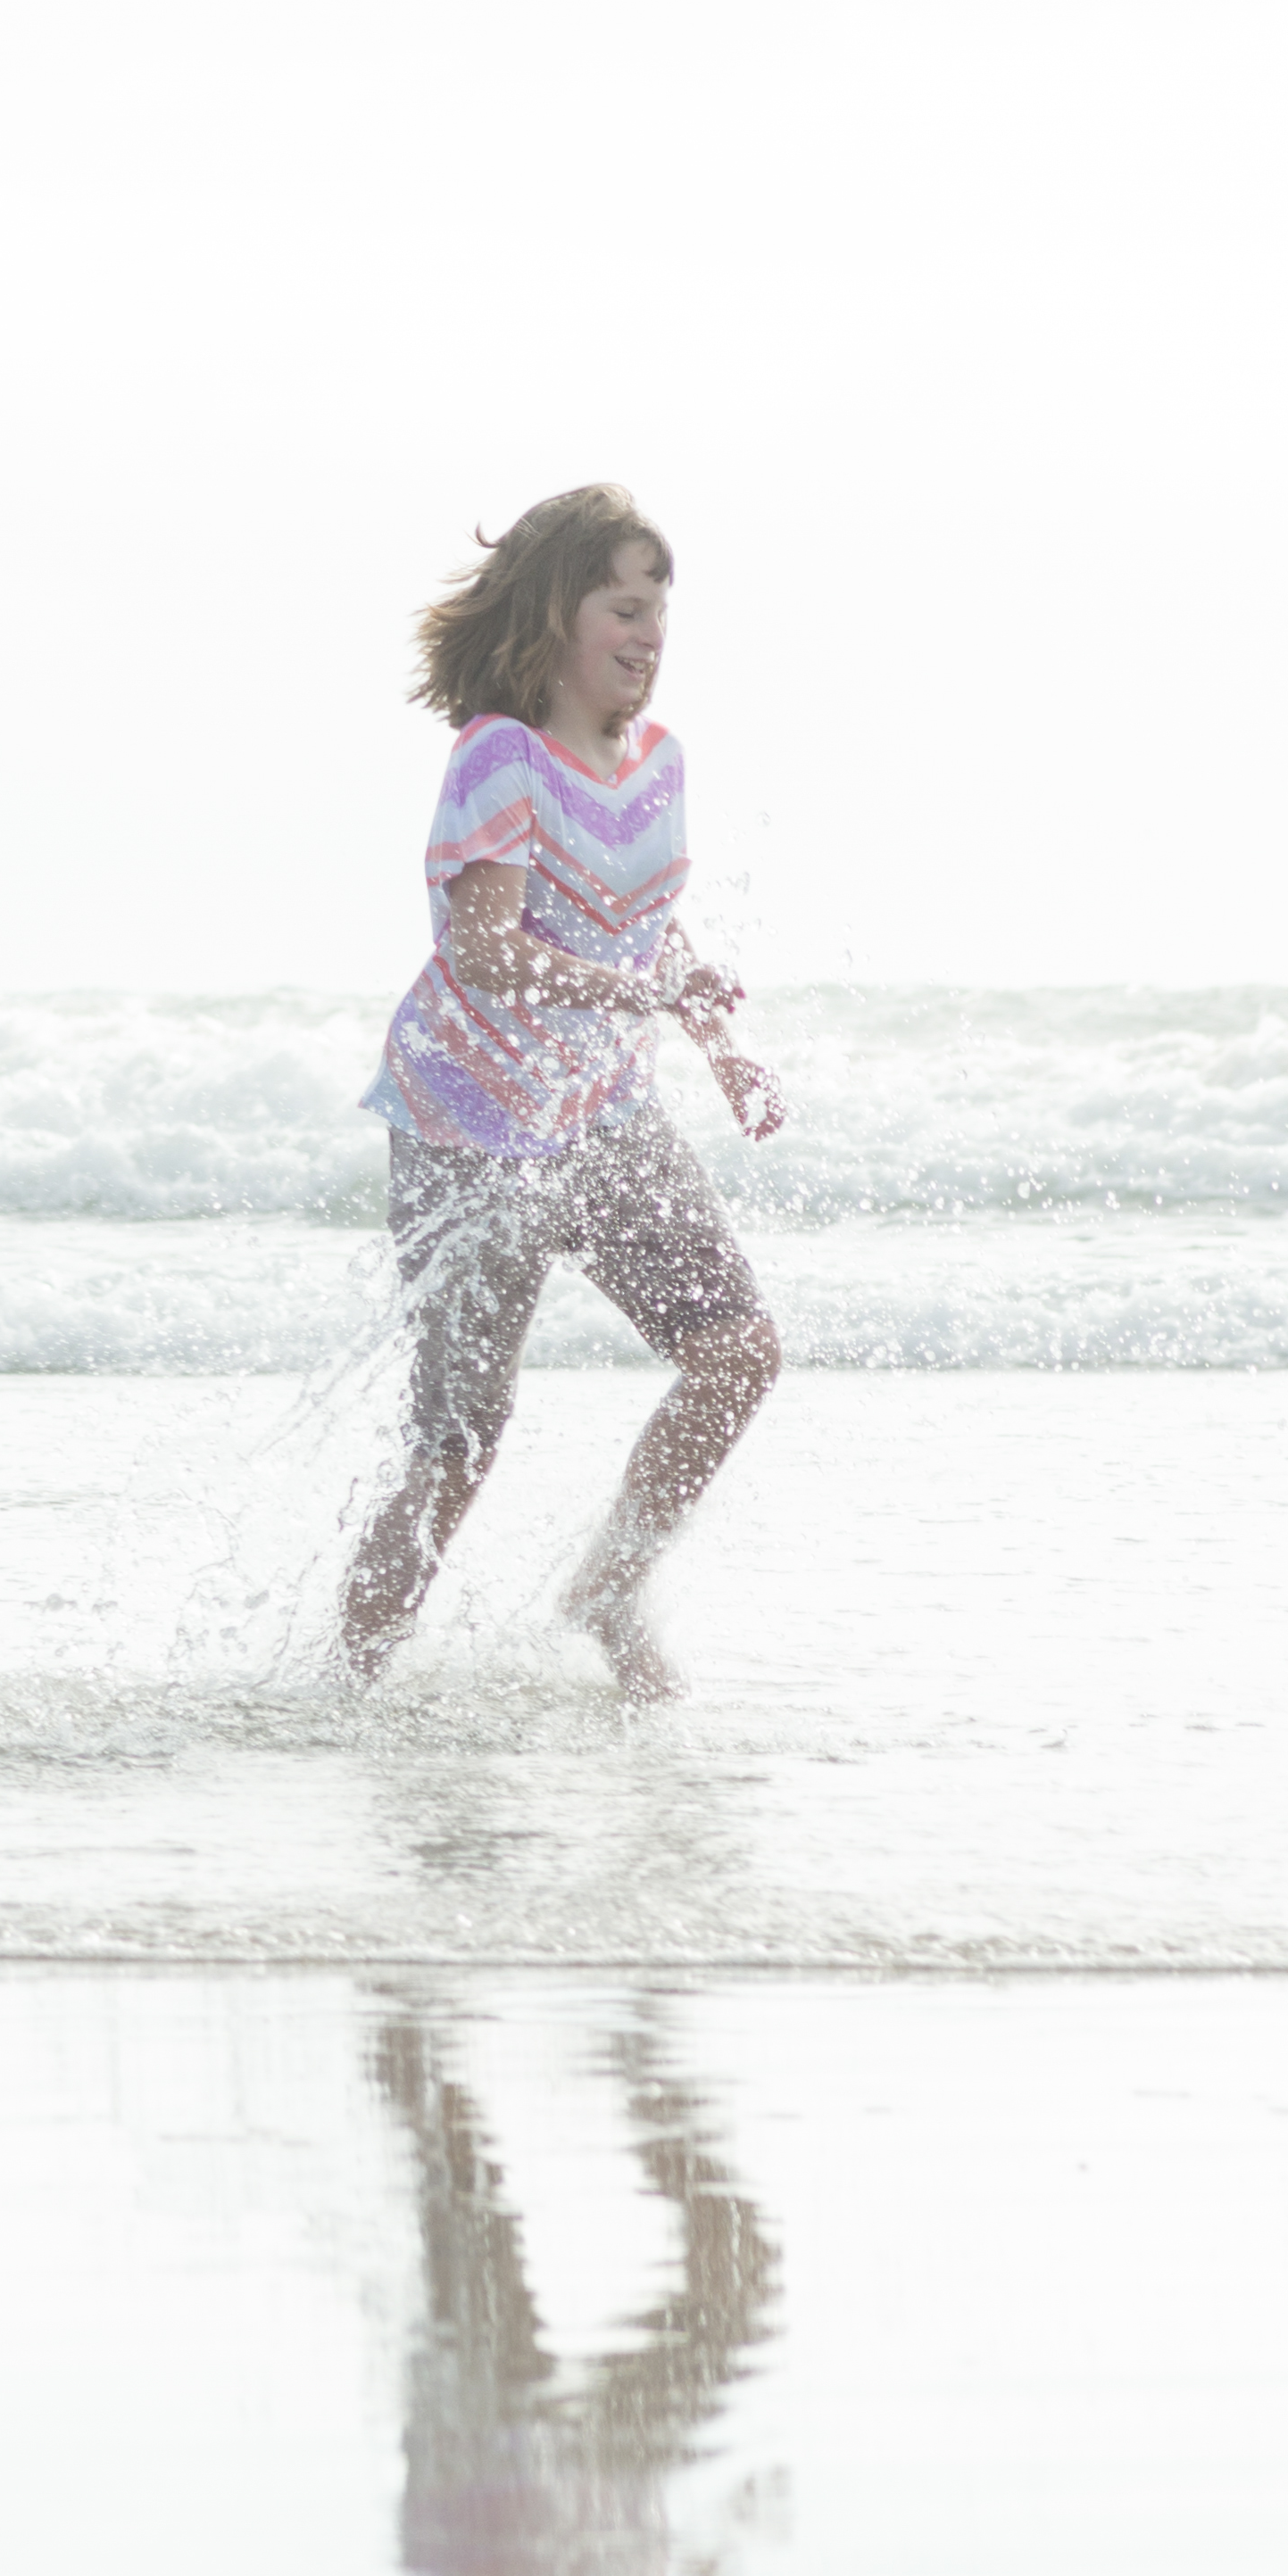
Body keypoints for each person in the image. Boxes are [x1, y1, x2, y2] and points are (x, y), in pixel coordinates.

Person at [339, 483, 785, 1696]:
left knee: (738, 1350)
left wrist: (717, 1041)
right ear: (556, 615)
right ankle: (346, 1688)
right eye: (624, 610)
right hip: (470, 1128)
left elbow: (645, 920)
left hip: (602, 1114)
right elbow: (485, 949)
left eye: (659, 613)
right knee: (459, 1443)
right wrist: (635, 994)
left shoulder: (659, 762)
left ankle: (608, 1586)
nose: (649, 637)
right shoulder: (500, 756)